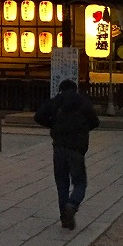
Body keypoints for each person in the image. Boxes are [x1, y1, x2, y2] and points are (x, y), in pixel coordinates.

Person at [34, 79, 100, 229]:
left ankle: (64, 217)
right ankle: (72, 204)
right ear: (75, 89)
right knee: (80, 183)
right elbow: (95, 122)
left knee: (62, 184)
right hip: (77, 148)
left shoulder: (56, 101)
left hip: (59, 146)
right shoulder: (83, 102)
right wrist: (82, 129)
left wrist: (53, 125)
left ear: (61, 89)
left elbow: (38, 116)